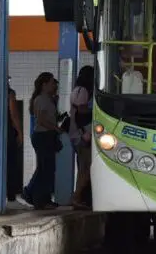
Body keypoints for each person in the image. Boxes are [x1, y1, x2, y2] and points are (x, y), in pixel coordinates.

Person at [23, 72, 61, 210]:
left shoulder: (47, 98)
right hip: (43, 136)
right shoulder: (41, 99)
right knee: (45, 169)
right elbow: (41, 120)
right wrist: (56, 129)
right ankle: (40, 200)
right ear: (44, 85)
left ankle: (34, 195)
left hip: (45, 135)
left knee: (45, 168)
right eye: (52, 82)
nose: (55, 84)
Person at [69, 66, 94, 210]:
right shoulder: (82, 91)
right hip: (83, 135)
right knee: (87, 169)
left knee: (83, 167)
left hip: (78, 134)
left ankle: (80, 197)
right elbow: (82, 112)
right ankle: (77, 197)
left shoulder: (77, 90)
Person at [7, 78, 24, 202]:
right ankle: (10, 193)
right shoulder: (9, 93)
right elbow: (14, 115)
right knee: (11, 163)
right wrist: (20, 132)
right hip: (7, 134)